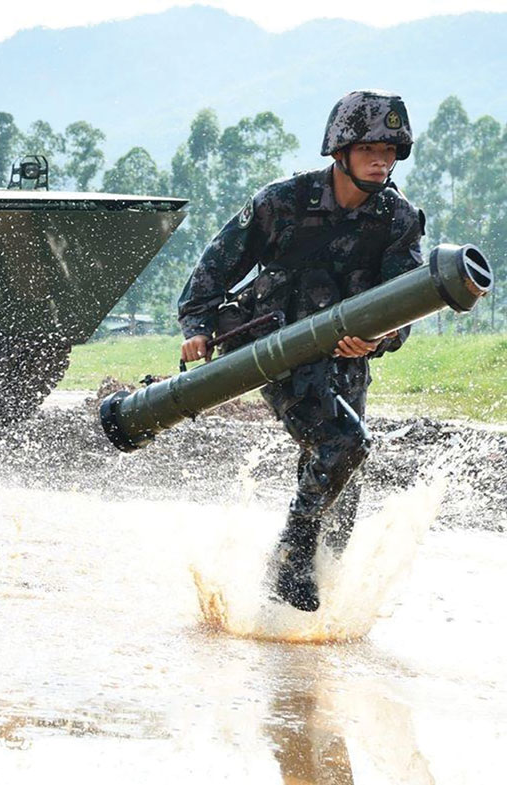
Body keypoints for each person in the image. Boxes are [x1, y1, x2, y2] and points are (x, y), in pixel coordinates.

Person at [176, 90, 424, 612]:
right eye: (370, 149)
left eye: (391, 151)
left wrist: (379, 339)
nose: (382, 160)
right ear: (341, 152)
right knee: (343, 442)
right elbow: (217, 264)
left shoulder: (397, 219)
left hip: (347, 354)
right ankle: (289, 560)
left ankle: (304, 620)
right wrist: (197, 326)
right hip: (277, 343)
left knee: (342, 475)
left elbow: (406, 299)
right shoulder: (282, 202)